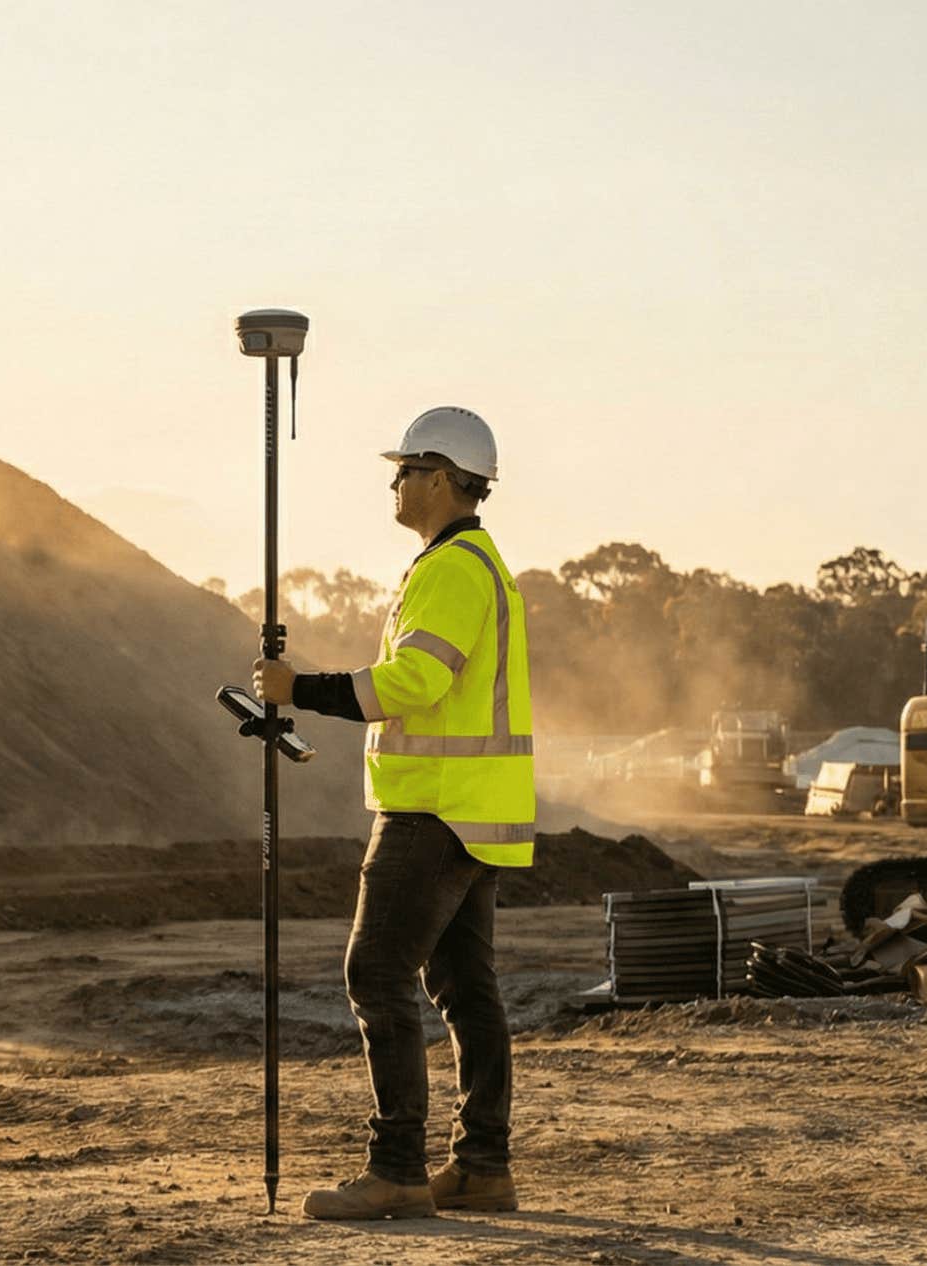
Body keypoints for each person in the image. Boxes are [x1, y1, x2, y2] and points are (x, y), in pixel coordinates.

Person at [249, 405, 535, 1221]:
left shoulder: (453, 569)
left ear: (443, 479)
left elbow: (413, 683)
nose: (395, 483)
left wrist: (298, 688)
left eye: (406, 470)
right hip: (472, 812)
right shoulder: (473, 564)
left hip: (434, 812)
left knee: (376, 972)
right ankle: (481, 1166)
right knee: (463, 988)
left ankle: (398, 1169)